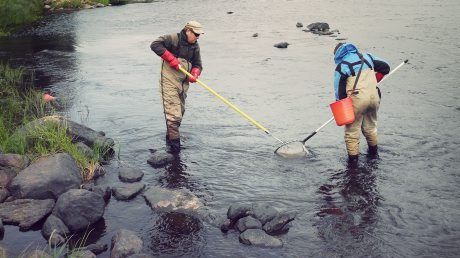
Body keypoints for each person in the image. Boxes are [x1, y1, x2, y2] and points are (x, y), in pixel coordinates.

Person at [150, 21, 204, 153]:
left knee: (180, 113)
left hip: (183, 85)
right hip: (169, 82)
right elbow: (155, 45)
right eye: (196, 34)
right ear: (188, 31)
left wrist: (195, 74)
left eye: (199, 35)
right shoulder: (173, 39)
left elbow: (198, 64)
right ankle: (175, 150)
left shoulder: (195, 47)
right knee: (173, 116)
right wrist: (171, 59)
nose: (197, 37)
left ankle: (169, 142)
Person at [333, 43, 390, 165]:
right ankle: (374, 155)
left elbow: (339, 91)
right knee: (370, 127)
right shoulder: (368, 57)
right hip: (374, 97)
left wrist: (342, 108)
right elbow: (386, 68)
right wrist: (375, 79)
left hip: (357, 101)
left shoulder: (342, 66)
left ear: (338, 54)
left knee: (352, 133)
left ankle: (353, 166)